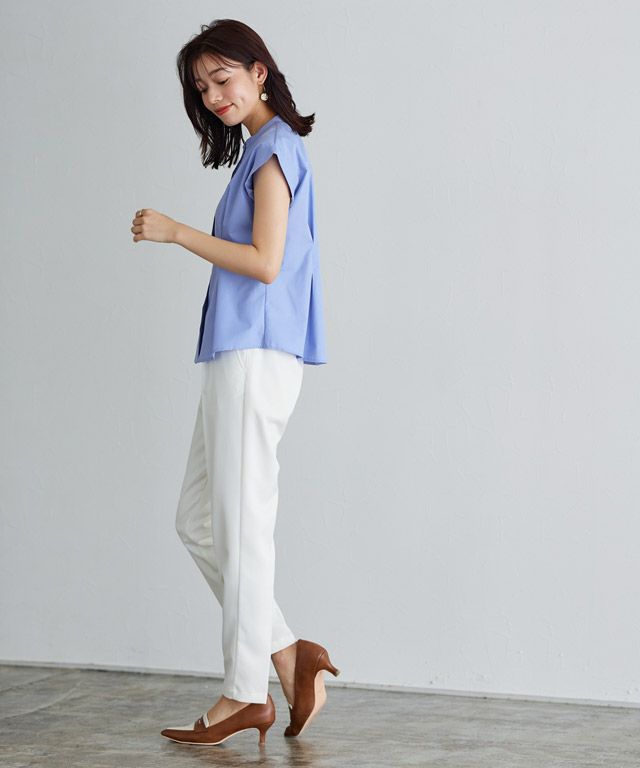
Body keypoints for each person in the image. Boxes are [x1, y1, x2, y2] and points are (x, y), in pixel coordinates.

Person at [130, 19, 340, 747]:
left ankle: (245, 692)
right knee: (199, 519)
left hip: (254, 355)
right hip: (236, 354)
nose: (214, 96)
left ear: (259, 72)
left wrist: (177, 232)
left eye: (222, 79)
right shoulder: (258, 149)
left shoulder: (276, 149)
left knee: (243, 525)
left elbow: (265, 263)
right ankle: (286, 653)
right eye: (201, 88)